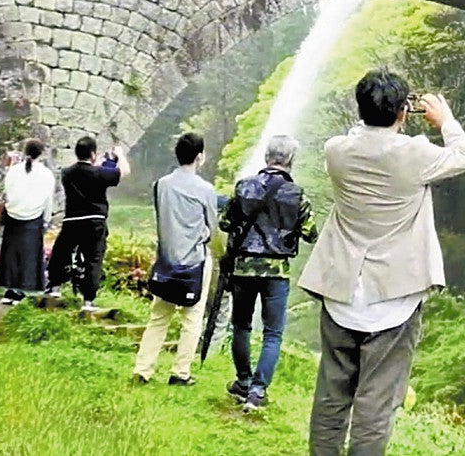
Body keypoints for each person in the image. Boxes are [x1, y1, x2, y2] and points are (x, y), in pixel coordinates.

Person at [300, 69, 465, 455]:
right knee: (375, 406)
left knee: (331, 398)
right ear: (402, 113)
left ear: (359, 108)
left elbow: (359, 135)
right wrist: (445, 121)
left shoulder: (336, 151)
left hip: (340, 290)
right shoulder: (413, 154)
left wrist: (382, 115)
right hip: (394, 297)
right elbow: (463, 157)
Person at [220, 135, 317, 412]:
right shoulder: (296, 194)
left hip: (243, 268)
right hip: (276, 272)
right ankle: (258, 391)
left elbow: (225, 222)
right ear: (290, 161)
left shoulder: (244, 187)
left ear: (267, 158)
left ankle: (242, 381)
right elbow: (311, 233)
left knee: (241, 325)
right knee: (273, 333)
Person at [132, 133, 215, 385]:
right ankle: (180, 373)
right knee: (192, 318)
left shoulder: (161, 185)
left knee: (159, 316)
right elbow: (214, 227)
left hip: (167, 261)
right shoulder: (205, 189)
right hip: (195, 262)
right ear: (199, 157)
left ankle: (142, 370)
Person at [45, 137, 130, 311]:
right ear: (93, 153)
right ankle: (88, 301)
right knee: (93, 259)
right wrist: (119, 155)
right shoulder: (100, 173)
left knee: (61, 252)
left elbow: (85, 171)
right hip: (94, 222)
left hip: (72, 220)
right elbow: (124, 171)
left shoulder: (67, 173)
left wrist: (96, 162)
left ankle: (54, 287)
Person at [0, 140, 55, 305]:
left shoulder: (13, 171)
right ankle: (21, 290)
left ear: (24, 151)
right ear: (42, 153)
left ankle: (9, 290)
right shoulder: (46, 174)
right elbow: (48, 200)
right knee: (28, 254)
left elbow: (7, 192)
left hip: (13, 215)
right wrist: (46, 219)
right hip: (34, 217)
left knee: (10, 254)